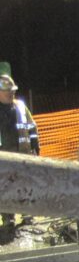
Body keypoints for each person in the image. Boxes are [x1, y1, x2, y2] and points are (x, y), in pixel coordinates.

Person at [0, 74, 39, 230]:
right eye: (8, 91)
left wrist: (35, 146)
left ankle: (28, 215)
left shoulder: (21, 107)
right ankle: (8, 218)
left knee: (25, 184)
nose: (12, 93)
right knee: (4, 187)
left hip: (23, 154)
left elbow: (32, 127)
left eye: (13, 90)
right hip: (3, 157)